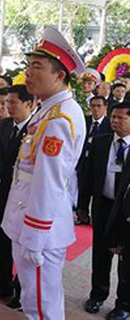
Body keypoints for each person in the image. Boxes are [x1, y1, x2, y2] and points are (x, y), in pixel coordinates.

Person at [1, 26, 87, 320]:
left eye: (37, 67)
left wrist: (34, 237)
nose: (28, 73)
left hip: (38, 228)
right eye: (28, 65)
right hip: (29, 220)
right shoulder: (49, 109)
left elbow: (49, 183)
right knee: (39, 299)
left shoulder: (59, 118)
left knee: (40, 306)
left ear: (59, 74)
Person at [0, 85, 33, 303]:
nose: (7, 107)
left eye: (13, 103)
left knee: (21, 247)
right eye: (6, 102)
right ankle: (3, 285)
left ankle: (22, 294)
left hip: (21, 197)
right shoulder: (3, 126)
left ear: (29, 104)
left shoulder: (35, 130)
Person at [82, 102, 130, 319]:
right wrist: (83, 205)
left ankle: (124, 305)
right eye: (113, 117)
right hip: (103, 205)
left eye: (121, 118)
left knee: (126, 260)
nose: (115, 121)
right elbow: (88, 176)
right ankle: (97, 295)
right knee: (100, 255)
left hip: (127, 211)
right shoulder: (101, 142)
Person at [76, 96, 112, 225]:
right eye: (93, 106)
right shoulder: (83, 122)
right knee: (82, 186)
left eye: (99, 106)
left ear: (105, 108)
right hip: (82, 161)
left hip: (98, 163)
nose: (96, 109)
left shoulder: (109, 124)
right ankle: (81, 211)